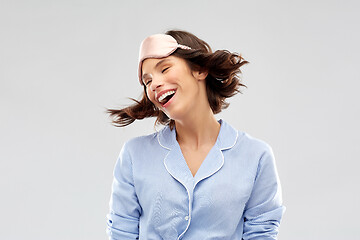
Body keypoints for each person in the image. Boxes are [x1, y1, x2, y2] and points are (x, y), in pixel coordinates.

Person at [106, 30, 285, 240]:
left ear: (200, 69)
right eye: (147, 81)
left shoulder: (256, 156)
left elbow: (261, 234)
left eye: (164, 69)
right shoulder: (134, 155)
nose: (154, 85)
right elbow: (122, 234)